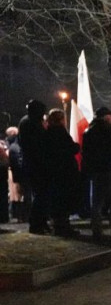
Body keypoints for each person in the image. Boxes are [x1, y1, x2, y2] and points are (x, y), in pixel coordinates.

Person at [81, 106, 111, 241]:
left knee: (97, 202)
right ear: (106, 117)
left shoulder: (88, 132)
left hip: (96, 171)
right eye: (110, 116)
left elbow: (86, 153)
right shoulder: (109, 131)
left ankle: (96, 230)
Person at [43, 108, 80, 237]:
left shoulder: (47, 133)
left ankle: (58, 225)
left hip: (54, 171)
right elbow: (70, 148)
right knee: (64, 199)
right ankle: (63, 226)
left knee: (58, 199)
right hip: (64, 171)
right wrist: (76, 146)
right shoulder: (60, 132)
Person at [18, 100, 51, 234]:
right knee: (40, 195)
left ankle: (41, 222)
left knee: (41, 195)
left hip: (33, 163)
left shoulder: (27, 121)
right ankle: (37, 224)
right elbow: (39, 144)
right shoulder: (31, 123)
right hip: (36, 164)